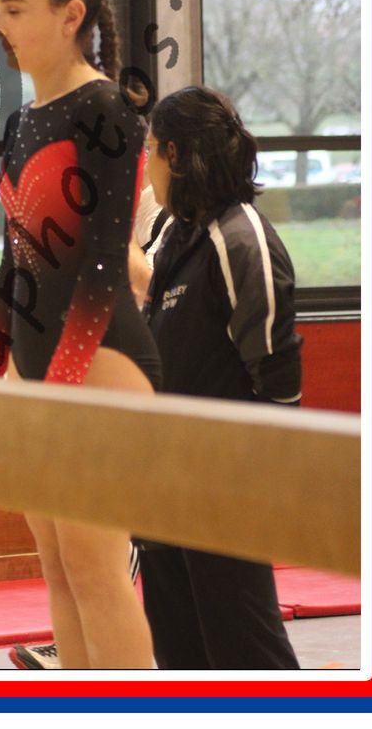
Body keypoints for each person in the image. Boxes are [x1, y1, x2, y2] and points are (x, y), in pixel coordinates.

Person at [0, 0, 161, 670]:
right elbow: (14, 260)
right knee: (55, 567)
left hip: (102, 356)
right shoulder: (23, 121)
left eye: (15, 10)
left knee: (94, 569)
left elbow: (106, 260)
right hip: (38, 359)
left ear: (70, 15)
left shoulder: (107, 108)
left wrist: (62, 379)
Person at [140, 85, 302, 669]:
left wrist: (256, 475)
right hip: (162, 473)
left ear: (175, 155)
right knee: (179, 651)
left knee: (244, 647)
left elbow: (278, 375)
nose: (147, 166)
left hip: (223, 478)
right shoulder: (173, 232)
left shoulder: (240, 236)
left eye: (151, 150)